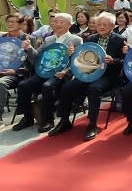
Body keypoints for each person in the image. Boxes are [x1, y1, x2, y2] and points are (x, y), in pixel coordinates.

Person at [49, 12, 124, 141]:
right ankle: (64, 120)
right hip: (88, 72)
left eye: (105, 25)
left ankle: (92, 124)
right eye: (99, 24)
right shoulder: (91, 38)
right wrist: (72, 54)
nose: (101, 27)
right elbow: (80, 59)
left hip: (108, 76)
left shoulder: (120, 40)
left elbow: (124, 62)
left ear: (112, 26)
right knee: (67, 87)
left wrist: (113, 61)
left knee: (94, 88)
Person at [12, 13, 82, 132]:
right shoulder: (49, 39)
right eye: (56, 21)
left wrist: (66, 71)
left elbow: (78, 61)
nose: (58, 24)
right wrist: (28, 48)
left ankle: (48, 120)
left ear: (69, 25)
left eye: (62, 22)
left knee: (47, 86)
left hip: (61, 74)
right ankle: (27, 117)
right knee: (23, 85)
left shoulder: (76, 40)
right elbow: (37, 57)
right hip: (45, 71)